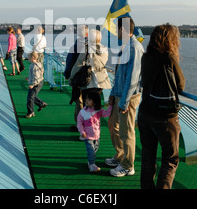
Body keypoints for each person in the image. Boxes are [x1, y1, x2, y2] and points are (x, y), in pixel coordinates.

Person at [138, 23, 185, 189]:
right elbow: (181, 85)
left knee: (148, 155)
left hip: (145, 113)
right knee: (170, 159)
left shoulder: (145, 57)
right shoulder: (168, 58)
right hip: (165, 117)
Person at [106, 17, 144, 177]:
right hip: (119, 94)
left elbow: (133, 78)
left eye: (117, 28)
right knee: (112, 123)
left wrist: (125, 101)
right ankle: (120, 155)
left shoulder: (135, 48)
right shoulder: (125, 47)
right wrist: (113, 94)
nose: (116, 31)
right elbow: (119, 73)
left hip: (128, 97)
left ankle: (128, 165)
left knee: (126, 131)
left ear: (124, 29)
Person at [70, 29, 111, 133]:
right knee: (96, 107)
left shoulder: (87, 48)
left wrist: (72, 77)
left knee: (87, 107)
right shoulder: (105, 49)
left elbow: (78, 64)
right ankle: (95, 129)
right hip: (101, 81)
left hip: (88, 82)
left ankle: (86, 130)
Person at [77, 90, 113, 173]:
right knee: (91, 151)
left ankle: (90, 162)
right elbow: (79, 123)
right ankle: (92, 165)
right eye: (86, 99)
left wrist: (110, 105)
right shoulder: (82, 112)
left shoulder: (99, 110)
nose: (86, 101)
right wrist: (82, 132)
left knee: (94, 150)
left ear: (95, 101)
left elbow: (106, 114)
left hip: (96, 136)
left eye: (89, 99)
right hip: (88, 137)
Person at [65, 25, 88, 131]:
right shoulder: (94, 45)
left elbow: (70, 62)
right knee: (88, 102)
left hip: (78, 78)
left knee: (79, 101)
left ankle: (80, 125)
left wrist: (68, 75)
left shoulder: (76, 46)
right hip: (90, 79)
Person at [25, 51, 47, 118]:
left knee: (30, 98)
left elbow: (36, 76)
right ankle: (41, 104)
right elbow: (41, 72)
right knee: (32, 96)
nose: (27, 58)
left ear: (32, 57)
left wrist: (33, 84)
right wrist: (29, 78)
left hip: (36, 84)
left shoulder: (34, 66)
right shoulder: (39, 63)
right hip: (40, 82)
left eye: (28, 57)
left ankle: (31, 112)